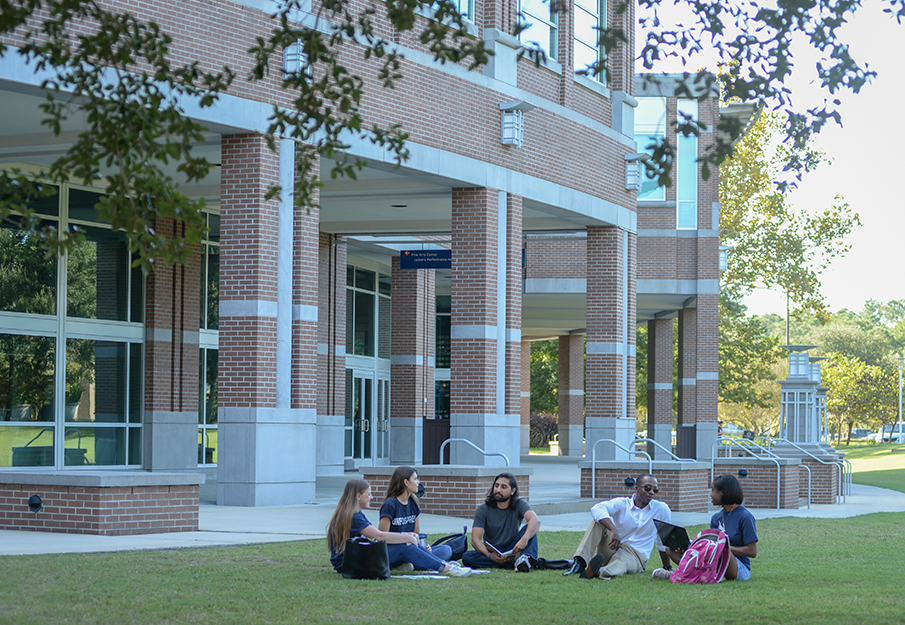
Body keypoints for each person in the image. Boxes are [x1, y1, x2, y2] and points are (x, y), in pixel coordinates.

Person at [326, 478, 471, 576]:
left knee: (441, 549)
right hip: (352, 564)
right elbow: (379, 536)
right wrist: (405, 537)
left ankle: (434, 563)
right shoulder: (354, 516)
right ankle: (446, 568)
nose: (372, 497)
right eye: (369, 494)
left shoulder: (352, 514)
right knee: (405, 546)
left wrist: (408, 536)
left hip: (355, 560)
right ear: (358, 496)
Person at [563, 473, 672, 579]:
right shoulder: (622, 504)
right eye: (647, 488)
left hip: (636, 555)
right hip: (614, 546)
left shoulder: (661, 509)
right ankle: (579, 563)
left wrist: (667, 566)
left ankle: (597, 572)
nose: (652, 492)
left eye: (655, 489)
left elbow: (662, 540)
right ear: (636, 488)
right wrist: (613, 529)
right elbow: (597, 508)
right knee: (599, 522)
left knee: (621, 563)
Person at [660, 474, 758, 581]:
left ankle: (694, 574)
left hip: (739, 568)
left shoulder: (745, 517)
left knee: (721, 549)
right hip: (715, 561)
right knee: (671, 549)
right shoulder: (716, 518)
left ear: (723, 492)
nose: (711, 494)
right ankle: (691, 572)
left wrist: (723, 547)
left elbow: (752, 552)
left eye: (713, 490)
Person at [462, 472, 541, 572]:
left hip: (513, 549)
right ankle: (515, 563)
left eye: (503, 487)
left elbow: (535, 521)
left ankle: (520, 560)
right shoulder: (483, 509)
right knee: (467, 557)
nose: (498, 490)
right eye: (496, 486)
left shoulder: (519, 504)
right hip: (493, 551)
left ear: (513, 491)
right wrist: (489, 556)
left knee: (529, 530)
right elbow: (475, 540)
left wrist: (524, 539)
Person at [378, 466, 454, 564]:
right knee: (408, 550)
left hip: (412, 547)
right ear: (406, 482)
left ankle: (413, 562)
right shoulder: (390, 504)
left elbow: (417, 533)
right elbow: (382, 537)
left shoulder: (413, 503)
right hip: (394, 550)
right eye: (415, 479)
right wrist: (404, 538)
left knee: (446, 550)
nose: (418, 482)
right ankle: (428, 562)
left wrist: (424, 547)